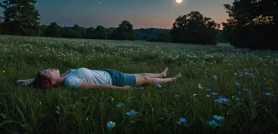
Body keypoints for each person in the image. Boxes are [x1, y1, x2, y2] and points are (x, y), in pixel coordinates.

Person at [16, 67, 182, 90]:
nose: (51, 68)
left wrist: (29, 81)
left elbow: (39, 80)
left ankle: (161, 75)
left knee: (138, 74)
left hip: (109, 73)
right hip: (113, 81)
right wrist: (121, 90)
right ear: (50, 82)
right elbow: (98, 87)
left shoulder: (65, 75)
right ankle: (172, 80)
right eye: (48, 72)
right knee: (145, 79)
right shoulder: (69, 81)